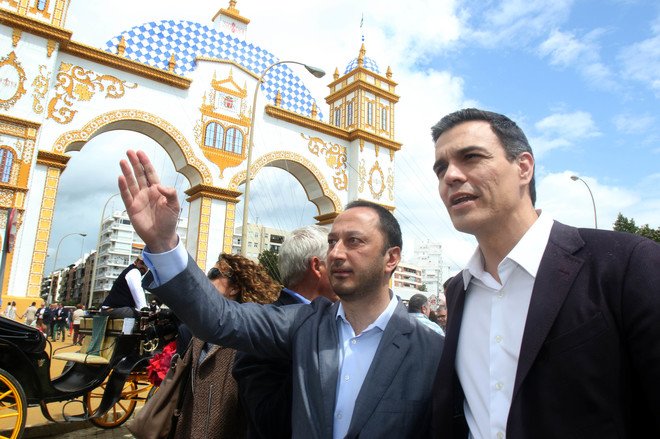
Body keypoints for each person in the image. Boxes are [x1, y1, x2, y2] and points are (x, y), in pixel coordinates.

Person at [117, 149, 444, 439]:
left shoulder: (431, 346)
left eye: (355, 241)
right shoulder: (303, 324)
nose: (337, 254)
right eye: (332, 242)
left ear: (392, 258)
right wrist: (163, 243)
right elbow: (218, 318)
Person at [429, 108, 660, 438]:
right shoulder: (458, 291)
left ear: (523, 168)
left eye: (471, 157)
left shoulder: (626, 264)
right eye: (441, 169)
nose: (451, 176)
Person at [232, 225, 337, 439]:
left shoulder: (339, 319)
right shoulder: (267, 328)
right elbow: (269, 420)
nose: (346, 270)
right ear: (317, 267)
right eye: (337, 262)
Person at [174, 253, 280, 438]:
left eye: (215, 273)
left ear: (234, 288)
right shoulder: (198, 331)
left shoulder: (249, 336)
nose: (209, 278)